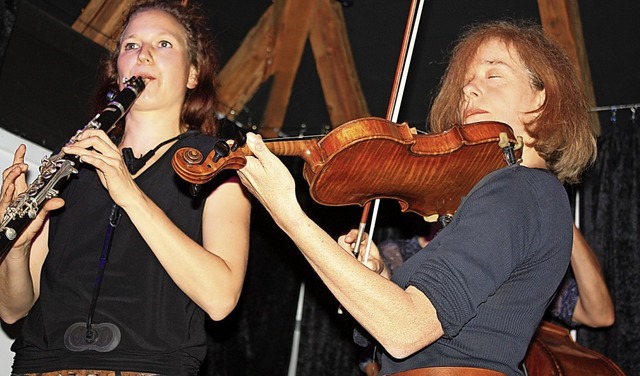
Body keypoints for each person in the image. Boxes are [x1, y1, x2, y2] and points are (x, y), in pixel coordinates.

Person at [236, 20, 597, 375]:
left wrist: (289, 215)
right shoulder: (530, 194)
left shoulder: (518, 187)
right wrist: (378, 278)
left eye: (493, 74)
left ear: (541, 97)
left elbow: (406, 331)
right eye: (467, 82)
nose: (469, 89)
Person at [0, 1, 251, 374]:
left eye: (164, 44)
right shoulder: (72, 163)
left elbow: (220, 297)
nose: (144, 55)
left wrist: (130, 193)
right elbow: (12, 308)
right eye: (131, 45)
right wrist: (17, 250)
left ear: (192, 74)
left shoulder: (217, 162)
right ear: (117, 71)